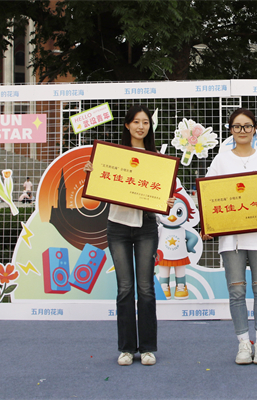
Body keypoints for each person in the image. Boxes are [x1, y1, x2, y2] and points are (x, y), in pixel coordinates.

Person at [84, 104, 175, 367]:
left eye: (145, 122)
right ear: (127, 125)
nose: (140, 126)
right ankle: (125, 348)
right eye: (136, 122)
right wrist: (92, 174)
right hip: (118, 226)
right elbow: (100, 188)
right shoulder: (112, 157)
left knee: (145, 289)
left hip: (146, 226)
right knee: (124, 289)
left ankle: (147, 348)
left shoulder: (157, 159)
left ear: (150, 126)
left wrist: (166, 202)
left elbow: (162, 196)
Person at [203, 108, 257, 365]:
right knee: (236, 291)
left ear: (255, 130)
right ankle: (243, 343)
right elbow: (209, 196)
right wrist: (208, 224)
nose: (242, 130)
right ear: (231, 130)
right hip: (232, 239)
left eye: (247, 126)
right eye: (237, 126)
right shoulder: (220, 161)